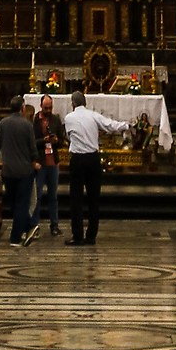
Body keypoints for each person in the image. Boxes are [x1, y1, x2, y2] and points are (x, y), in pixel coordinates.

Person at [63, 88, 127, 246]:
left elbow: (69, 136)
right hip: (93, 159)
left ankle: (77, 235)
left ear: (73, 104)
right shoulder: (93, 115)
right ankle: (91, 235)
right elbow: (110, 125)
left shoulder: (69, 118)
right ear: (85, 103)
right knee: (93, 198)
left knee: (76, 198)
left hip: (78, 159)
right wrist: (126, 125)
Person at [0, 98, 41, 244]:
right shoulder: (27, 125)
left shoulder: (3, 123)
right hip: (24, 171)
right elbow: (33, 148)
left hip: (8, 171)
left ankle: (28, 228)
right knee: (22, 204)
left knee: (14, 203)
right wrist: (35, 161)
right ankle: (17, 237)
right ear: (22, 108)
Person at [33, 95, 62, 235]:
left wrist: (56, 141)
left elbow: (62, 141)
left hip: (53, 162)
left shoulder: (56, 120)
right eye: (46, 108)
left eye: (50, 107)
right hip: (40, 161)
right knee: (37, 195)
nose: (48, 110)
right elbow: (31, 142)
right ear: (41, 107)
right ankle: (34, 225)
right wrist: (43, 141)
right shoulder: (34, 121)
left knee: (53, 196)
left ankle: (54, 225)